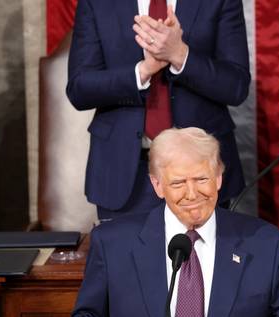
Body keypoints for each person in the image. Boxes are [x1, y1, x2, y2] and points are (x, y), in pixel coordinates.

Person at [51, 127, 279, 317]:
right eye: (178, 183)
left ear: (219, 178)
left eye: (202, 179)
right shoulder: (113, 243)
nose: (192, 194)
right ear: (157, 185)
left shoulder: (263, 242)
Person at [67, 0, 250, 220]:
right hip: (124, 172)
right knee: (125, 254)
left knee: (203, 255)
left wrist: (180, 55)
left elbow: (236, 87)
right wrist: (142, 71)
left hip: (201, 172)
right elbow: (79, 89)